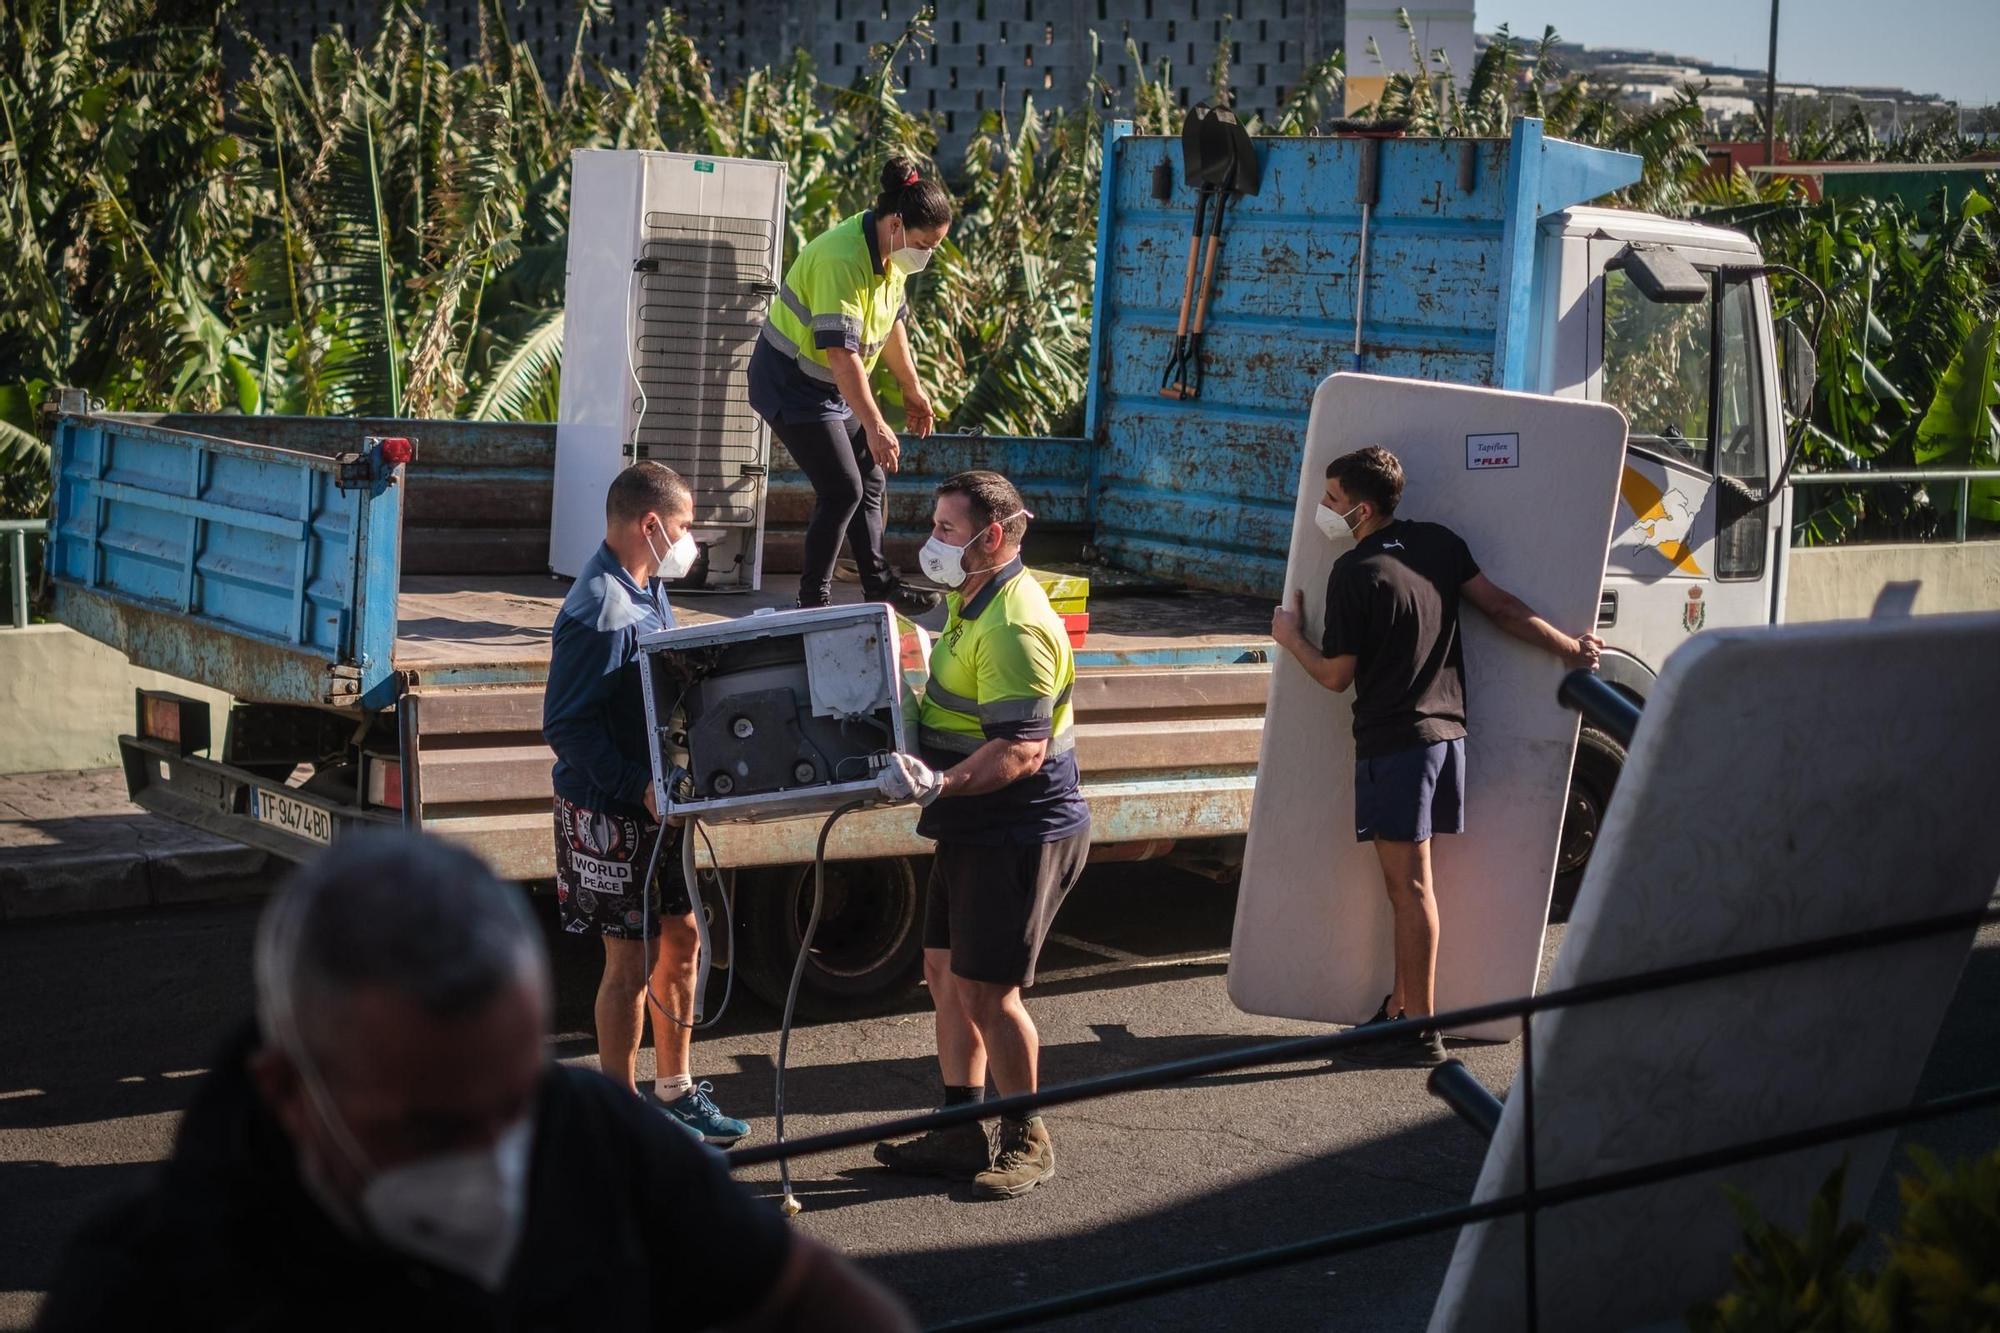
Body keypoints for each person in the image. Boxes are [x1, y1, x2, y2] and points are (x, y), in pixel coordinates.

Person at [33, 832, 915, 1331]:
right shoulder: (139, 1291)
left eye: (513, 1099)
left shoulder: (594, 1137)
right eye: (429, 1124)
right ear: (288, 1091)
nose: (493, 1156)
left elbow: (829, 1306)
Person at [1269, 446, 1601, 1067]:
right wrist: (1570, 648)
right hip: (1446, 740)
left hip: (1397, 746)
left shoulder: (1356, 572)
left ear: (1361, 509)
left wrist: (1291, 640)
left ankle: (1420, 1030)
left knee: (1410, 888)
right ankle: (1401, 1008)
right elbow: (1503, 608)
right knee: (1411, 887)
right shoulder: (1438, 543)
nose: (1323, 508)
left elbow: (1336, 676)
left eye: (1332, 499)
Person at [868, 470, 1091, 1199]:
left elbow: (1022, 751)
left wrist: (942, 781)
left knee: (990, 991)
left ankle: (1025, 1137)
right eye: (934, 525)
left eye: (946, 530)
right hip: (972, 820)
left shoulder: (1015, 623)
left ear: (992, 537)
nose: (933, 542)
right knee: (942, 971)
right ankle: (958, 1125)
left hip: (1016, 825)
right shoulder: (974, 597)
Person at [541, 461, 748, 1142]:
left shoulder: (648, 587)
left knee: (683, 939)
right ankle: (620, 1109)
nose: (691, 541)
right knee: (627, 963)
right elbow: (566, 727)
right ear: (650, 524)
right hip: (612, 812)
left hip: (661, 803)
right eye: (685, 526)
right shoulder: (598, 609)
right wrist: (638, 785)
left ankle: (676, 1088)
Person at [748, 154, 952, 615]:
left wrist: (911, 388)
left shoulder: (891, 251)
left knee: (871, 481)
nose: (928, 254)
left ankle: (878, 586)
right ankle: (812, 600)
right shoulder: (841, 260)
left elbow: (892, 324)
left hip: (834, 385)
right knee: (843, 488)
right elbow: (843, 355)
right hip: (792, 383)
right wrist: (876, 424)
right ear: (897, 223)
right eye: (926, 243)